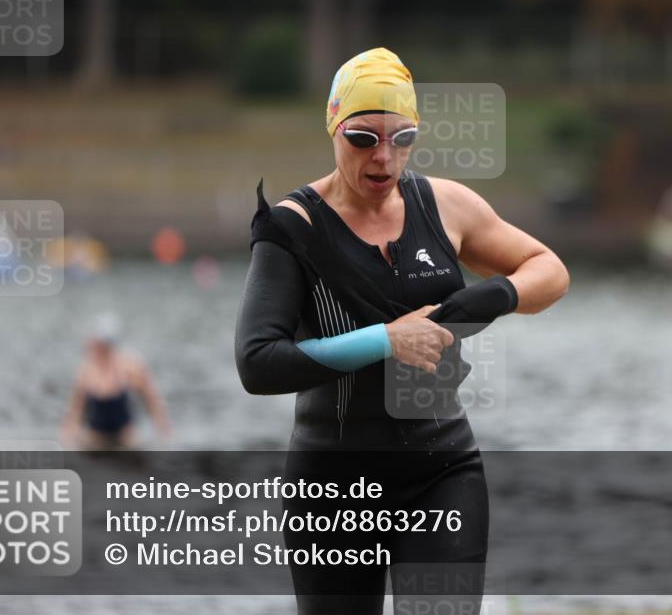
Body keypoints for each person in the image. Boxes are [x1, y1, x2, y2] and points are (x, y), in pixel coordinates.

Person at [235, 48, 569, 614]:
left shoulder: (445, 205)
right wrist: (386, 340)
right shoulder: (291, 228)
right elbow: (258, 362)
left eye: (402, 138)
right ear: (333, 126)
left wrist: (483, 298)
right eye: (363, 139)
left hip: (442, 473)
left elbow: (550, 270)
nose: (384, 158)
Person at [60, 313, 172, 449]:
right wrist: (67, 438)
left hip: (124, 436)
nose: (94, 346)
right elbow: (75, 411)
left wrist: (165, 433)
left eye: (100, 343)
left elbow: (152, 402)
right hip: (96, 437)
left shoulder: (131, 366)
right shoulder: (86, 370)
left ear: (108, 345)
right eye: (94, 341)